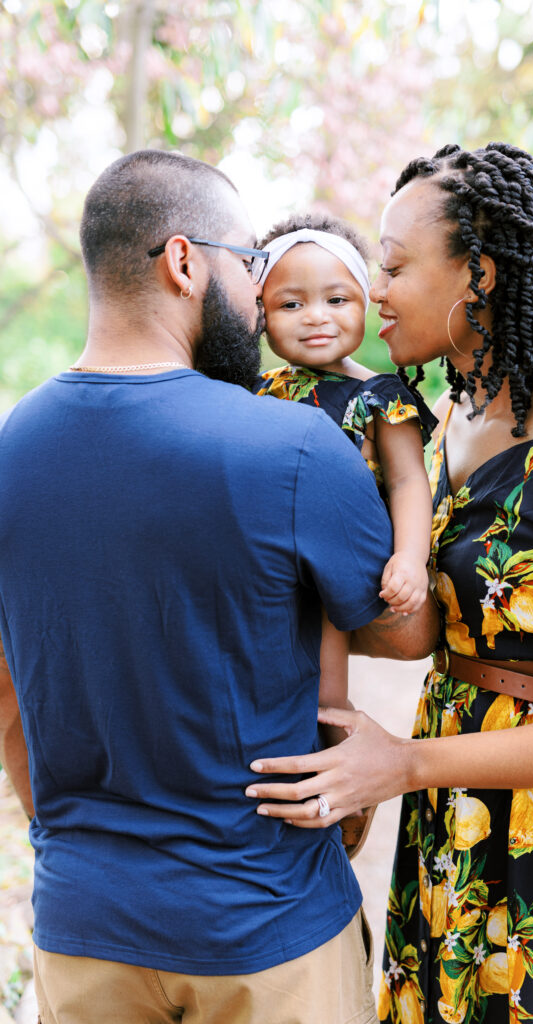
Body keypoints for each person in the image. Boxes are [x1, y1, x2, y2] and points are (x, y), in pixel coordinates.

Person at [245, 143, 533, 1023]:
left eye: (395, 265)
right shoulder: (445, 421)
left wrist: (403, 764)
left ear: (478, 273)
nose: (376, 290)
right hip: (457, 817)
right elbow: (415, 631)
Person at [0, 148, 439, 1024]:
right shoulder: (293, 447)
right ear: (184, 261)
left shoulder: (12, 449)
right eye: (249, 266)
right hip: (264, 930)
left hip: (83, 925)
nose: (256, 295)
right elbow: (404, 632)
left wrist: (67, 839)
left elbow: (7, 697)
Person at [252, 212, 436, 763]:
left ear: (366, 304)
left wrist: (409, 557)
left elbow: (408, 482)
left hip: (339, 550)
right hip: (268, 552)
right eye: (290, 304)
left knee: (325, 675)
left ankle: (334, 758)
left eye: (337, 300)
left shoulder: (379, 396)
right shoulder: (257, 392)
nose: (315, 318)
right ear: (259, 315)